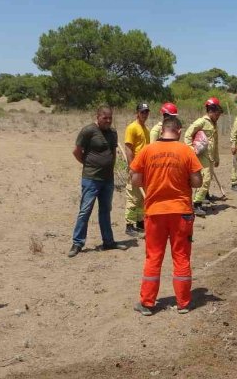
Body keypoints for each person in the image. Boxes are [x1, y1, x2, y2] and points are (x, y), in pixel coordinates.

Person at [129, 116, 203, 316]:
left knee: (153, 256)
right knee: (181, 256)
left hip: (155, 213)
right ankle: (183, 303)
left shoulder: (147, 150)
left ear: (162, 130)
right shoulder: (186, 151)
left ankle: (147, 303)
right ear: (178, 131)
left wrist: (152, 180)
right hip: (181, 213)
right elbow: (197, 182)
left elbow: (135, 180)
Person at [68, 106, 121, 257]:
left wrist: (110, 168)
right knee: (85, 211)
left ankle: (108, 242)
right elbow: (76, 152)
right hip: (91, 179)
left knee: (105, 211)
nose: (108, 121)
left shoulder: (113, 132)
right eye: (105, 118)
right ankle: (77, 243)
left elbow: (112, 153)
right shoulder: (88, 131)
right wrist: (88, 165)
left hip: (108, 180)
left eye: (110, 118)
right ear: (98, 116)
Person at [184, 97, 222, 216]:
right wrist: (190, 149)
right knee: (205, 179)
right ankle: (196, 205)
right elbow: (188, 134)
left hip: (210, 157)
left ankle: (200, 200)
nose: (218, 116)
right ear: (211, 110)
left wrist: (217, 158)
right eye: (217, 114)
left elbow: (215, 143)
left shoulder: (213, 124)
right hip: (202, 156)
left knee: (208, 178)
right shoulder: (201, 122)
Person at [123, 103, 150, 236]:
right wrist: (132, 166)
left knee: (141, 198)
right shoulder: (132, 127)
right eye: (142, 112)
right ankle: (129, 225)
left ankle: (140, 222)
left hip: (145, 169)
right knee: (133, 197)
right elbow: (128, 148)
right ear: (137, 113)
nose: (144, 114)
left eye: (146, 112)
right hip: (136, 168)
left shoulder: (146, 129)